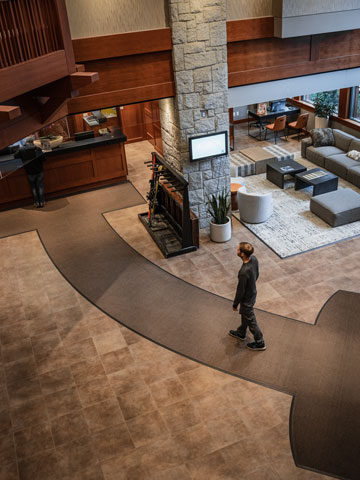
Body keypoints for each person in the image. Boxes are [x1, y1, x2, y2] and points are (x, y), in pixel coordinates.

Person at [229, 242, 266, 351]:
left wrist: (235, 304)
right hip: (253, 293)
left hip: (247, 299)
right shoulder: (254, 259)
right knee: (245, 314)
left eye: (238, 249)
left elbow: (240, 291)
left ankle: (260, 342)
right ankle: (241, 332)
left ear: (243, 254)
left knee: (251, 320)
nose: (237, 250)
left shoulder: (243, 272)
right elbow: (257, 274)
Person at [15, 138, 46, 208]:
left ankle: (36, 202)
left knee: (33, 187)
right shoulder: (37, 148)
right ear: (33, 142)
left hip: (29, 171)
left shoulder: (21, 149)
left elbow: (15, 156)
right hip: (39, 170)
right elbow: (43, 159)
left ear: (26, 142)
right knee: (40, 186)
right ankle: (42, 202)